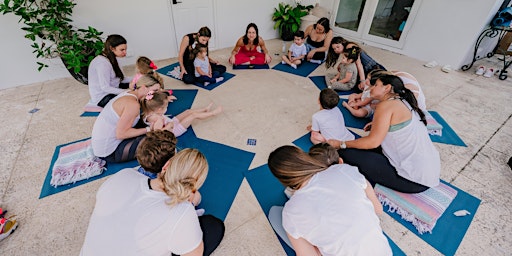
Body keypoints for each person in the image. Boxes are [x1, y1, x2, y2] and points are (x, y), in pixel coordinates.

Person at [81, 147, 225, 256]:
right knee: (213, 227)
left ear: (166, 166)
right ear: (193, 188)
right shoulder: (182, 211)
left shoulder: (124, 175)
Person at [267, 145, 391, 256]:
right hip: (383, 252)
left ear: (283, 180)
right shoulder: (345, 170)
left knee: (275, 214)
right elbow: (378, 210)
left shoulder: (290, 213)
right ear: (304, 157)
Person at [328, 74, 440, 193]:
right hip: (428, 172)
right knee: (363, 148)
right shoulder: (402, 101)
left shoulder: (385, 105)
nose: (371, 88)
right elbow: (399, 125)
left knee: (346, 152)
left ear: (387, 88)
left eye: (376, 85)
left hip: (414, 180)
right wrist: (377, 124)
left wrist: (341, 143)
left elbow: (373, 142)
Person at [91, 73, 173, 163]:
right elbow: (121, 134)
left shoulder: (129, 93)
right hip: (109, 152)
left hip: (103, 145)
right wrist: (149, 129)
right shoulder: (132, 104)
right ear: (143, 87)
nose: (156, 93)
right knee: (159, 139)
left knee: (149, 124)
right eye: (155, 90)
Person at [140, 90, 223, 137]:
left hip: (170, 122)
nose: (167, 108)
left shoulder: (149, 110)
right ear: (159, 109)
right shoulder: (158, 119)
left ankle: (205, 109)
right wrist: (169, 126)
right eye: (166, 107)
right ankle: (213, 113)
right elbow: (158, 133)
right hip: (173, 131)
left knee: (187, 111)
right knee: (193, 116)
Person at [88, 34, 131, 107]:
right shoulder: (102, 63)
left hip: (114, 87)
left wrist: (138, 77)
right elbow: (105, 88)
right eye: (122, 50)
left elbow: (122, 79)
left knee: (139, 85)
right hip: (103, 97)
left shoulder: (114, 58)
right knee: (132, 100)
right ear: (112, 48)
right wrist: (125, 92)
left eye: (125, 49)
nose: (125, 52)